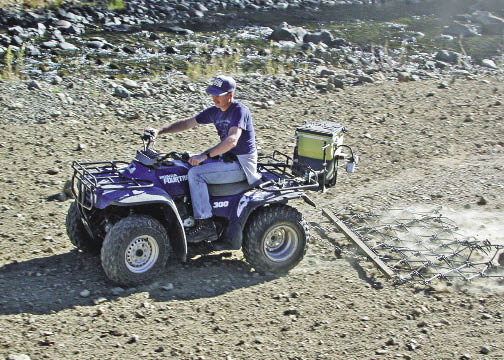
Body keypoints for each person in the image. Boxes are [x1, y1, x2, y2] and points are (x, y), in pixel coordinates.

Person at [147, 75, 261, 242]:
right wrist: (159, 131)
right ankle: (186, 214)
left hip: (242, 164)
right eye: (212, 94)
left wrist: (204, 156)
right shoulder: (214, 111)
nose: (214, 98)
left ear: (229, 95)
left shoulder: (239, 110)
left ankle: (205, 225)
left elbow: (232, 140)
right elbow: (187, 123)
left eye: (218, 95)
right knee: (184, 164)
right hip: (226, 158)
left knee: (196, 174)